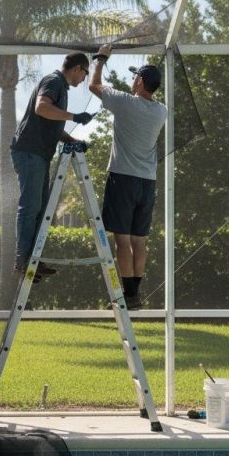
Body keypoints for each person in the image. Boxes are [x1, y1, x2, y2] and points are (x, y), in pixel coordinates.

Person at [89, 43, 167, 308]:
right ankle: (134, 296)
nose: (132, 80)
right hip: (147, 182)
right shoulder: (161, 111)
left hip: (123, 179)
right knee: (139, 241)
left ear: (141, 81)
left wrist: (100, 58)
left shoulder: (125, 103)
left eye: (135, 77)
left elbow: (94, 85)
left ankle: (126, 296)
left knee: (122, 240)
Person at [11, 52, 94, 276]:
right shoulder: (54, 81)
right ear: (77, 68)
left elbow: (51, 124)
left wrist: (74, 141)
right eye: (85, 73)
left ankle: (33, 259)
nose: (84, 78)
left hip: (38, 153)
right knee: (30, 206)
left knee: (41, 208)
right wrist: (75, 116)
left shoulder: (61, 87)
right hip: (29, 152)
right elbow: (41, 108)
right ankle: (23, 260)